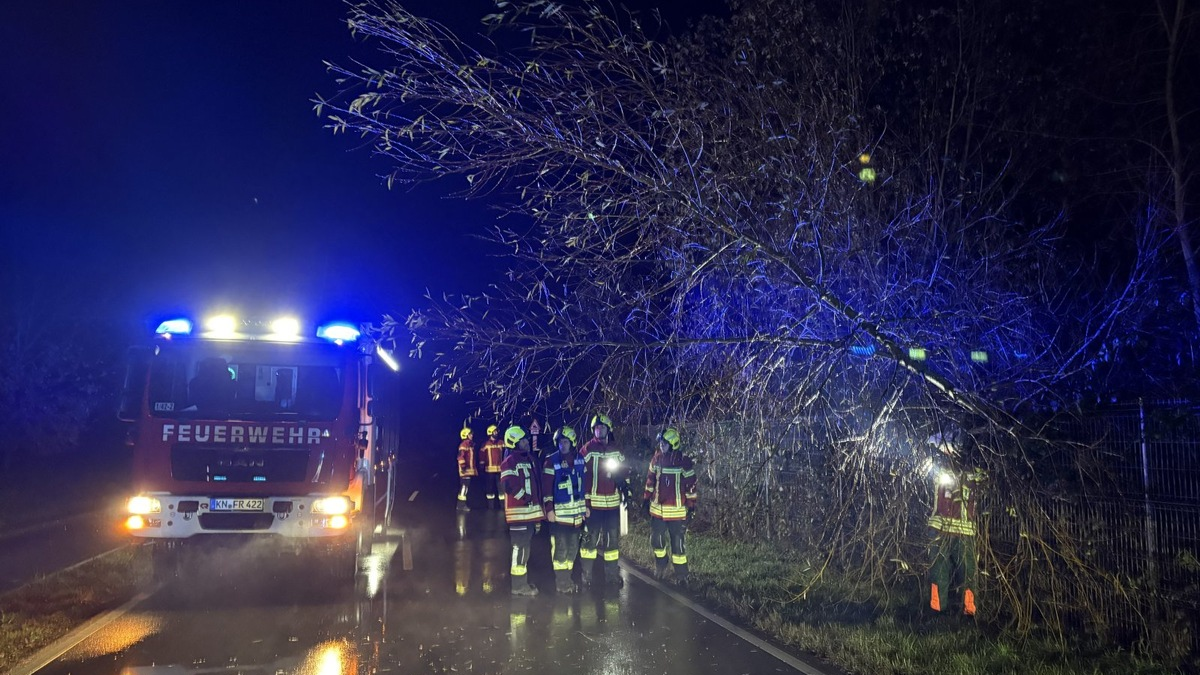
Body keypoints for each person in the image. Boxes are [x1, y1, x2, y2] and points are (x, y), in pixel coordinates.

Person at [925, 427, 986, 617]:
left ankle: (970, 611)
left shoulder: (974, 472)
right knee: (938, 572)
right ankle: (937, 611)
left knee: (968, 574)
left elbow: (984, 479)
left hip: (965, 532)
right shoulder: (936, 469)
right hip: (940, 528)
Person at [579, 412, 629, 590]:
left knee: (612, 542)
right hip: (593, 505)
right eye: (597, 428)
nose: (599, 430)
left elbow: (625, 471)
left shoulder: (616, 449)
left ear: (609, 429)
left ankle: (611, 576)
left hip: (613, 505)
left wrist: (625, 488)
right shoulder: (587, 450)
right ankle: (586, 575)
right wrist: (584, 503)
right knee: (590, 542)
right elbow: (580, 476)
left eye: (602, 427)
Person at [642, 427, 698, 585]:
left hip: (677, 512)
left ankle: (682, 576)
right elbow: (650, 481)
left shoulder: (684, 462)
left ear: (673, 443)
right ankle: (661, 564)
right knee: (656, 541)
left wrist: (691, 505)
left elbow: (691, 485)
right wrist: (646, 499)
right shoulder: (656, 459)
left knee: (678, 545)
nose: (661, 446)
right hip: (657, 511)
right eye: (660, 443)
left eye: (664, 443)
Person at [542, 425, 587, 593]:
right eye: (560, 442)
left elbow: (584, 485)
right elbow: (546, 488)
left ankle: (566, 578)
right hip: (559, 516)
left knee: (573, 548)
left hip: (576, 516)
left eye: (566, 442)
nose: (563, 445)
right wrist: (549, 509)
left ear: (572, 442)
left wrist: (585, 508)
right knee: (560, 549)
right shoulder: (550, 461)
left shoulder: (580, 459)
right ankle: (561, 583)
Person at [501, 425, 545, 595]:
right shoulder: (509, 461)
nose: (527, 443)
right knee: (519, 548)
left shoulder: (531, 460)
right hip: (518, 514)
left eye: (527, 440)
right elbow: (508, 485)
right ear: (514, 442)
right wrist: (526, 498)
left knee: (525, 549)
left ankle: (522, 583)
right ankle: (518, 586)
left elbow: (538, 487)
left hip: (530, 515)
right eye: (523, 441)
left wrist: (538, 514)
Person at [479, 424, 506, 509]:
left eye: (497, 431)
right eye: (495, 431)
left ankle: (503, 507)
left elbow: (506, 454)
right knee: (489, 489)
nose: (497, 432)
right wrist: (481, 466)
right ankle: (490, 506)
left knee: (501, 489)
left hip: (500, 471)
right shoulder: (485, 444)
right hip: (489, 471)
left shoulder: (501, 443)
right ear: (490, 433)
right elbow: (481, 456)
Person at [456, 427, 477, 511]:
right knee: (464, 487)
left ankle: (462, 505)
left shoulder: (470, 444)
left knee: (466, 487)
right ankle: (461, 505)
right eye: (470, 434)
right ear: (466, 435)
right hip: (464, 470)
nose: (472, 435)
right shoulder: (464, 445)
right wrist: (463, 466)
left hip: (468, 471)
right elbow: (460, 457)